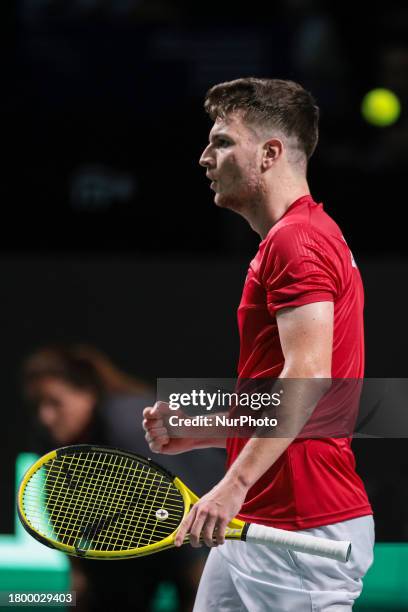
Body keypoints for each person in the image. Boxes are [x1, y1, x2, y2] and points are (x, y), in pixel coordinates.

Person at [143, 78, 374, 611]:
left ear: (270, 154)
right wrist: (208, 428)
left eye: (222, 141)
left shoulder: (299, 241)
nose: (204, 158)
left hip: (299, 525)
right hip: (258, 518)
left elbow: (310, 376)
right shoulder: (297, 236)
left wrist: (232, 484)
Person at [23, 344, 224, 612]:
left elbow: (176, 503)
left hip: (193, 535)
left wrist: (198, 583)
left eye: (55, 403)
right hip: (135, 539)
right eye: (39, 405)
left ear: (87, 393)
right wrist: (78, 572)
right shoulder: (56, 443)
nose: (45, 417)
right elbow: (61, 510)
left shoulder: (127, 424)